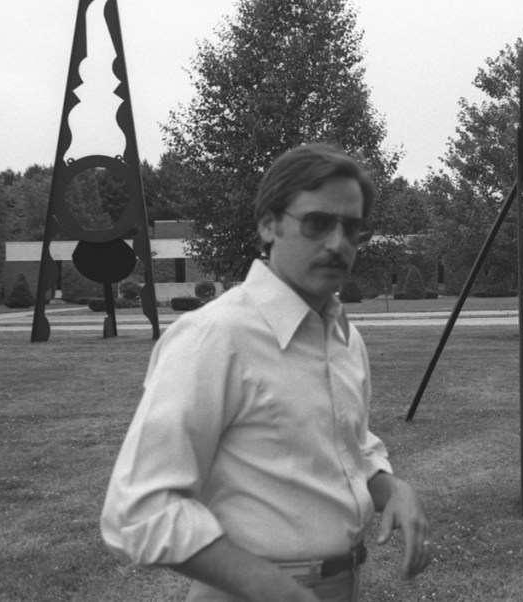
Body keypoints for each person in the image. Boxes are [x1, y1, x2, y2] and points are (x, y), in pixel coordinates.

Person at [101, 143, 432, 602]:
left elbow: (345, 447)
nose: (338, 243)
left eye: (352, 228)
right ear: (269, 225)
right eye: (317, 223)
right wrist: (273, 588)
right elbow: (139, 513)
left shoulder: (342, 337)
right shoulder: (213, 337)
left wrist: (392, 488)